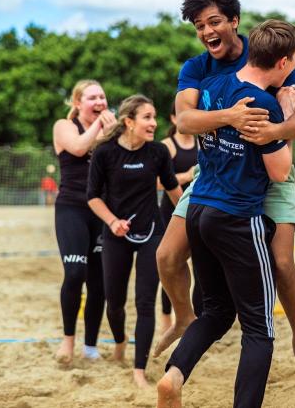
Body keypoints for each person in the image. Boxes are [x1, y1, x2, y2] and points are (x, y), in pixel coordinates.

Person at [153, 0, 295, 383]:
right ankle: (186, 319)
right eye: (198, 26)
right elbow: (186, 120)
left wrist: (272, 131)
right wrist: (230, 117)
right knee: (167, 257)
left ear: (234, 21)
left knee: (281, 263)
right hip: (217, 173)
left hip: (269, 171)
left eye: (213, 22)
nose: (207, 32)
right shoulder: (197, 67)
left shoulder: (268, 55)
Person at [87, 94, 182, 388]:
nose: (154, 123)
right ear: (129, 122)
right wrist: (113, 222)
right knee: (114, 302)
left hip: (151, 233)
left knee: (145, 303)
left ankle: (139, 370)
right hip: (115, 236)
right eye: (147, 117)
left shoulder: (158, 153)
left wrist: (191, 220)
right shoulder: (105, 154)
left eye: (154, 117)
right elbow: (92, 197)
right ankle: (119, 341)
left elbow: (173, 190)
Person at [51, 80, 117, 363]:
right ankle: (68, 342)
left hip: (101, 211)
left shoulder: (110, 130)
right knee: (75, 274)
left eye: (102, 96)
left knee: (99, 283)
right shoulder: (64, 127)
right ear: (77, 103)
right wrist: (101, 127)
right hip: (72, 209)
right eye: (92, 98)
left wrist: (115, 134)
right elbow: (78, 148)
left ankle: (90, 346)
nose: (100, 102)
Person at [158, 107, 202, 334]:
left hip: (198, 207)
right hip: (172, 210)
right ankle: (167, 316)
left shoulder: (200, 140)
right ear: (174, 119)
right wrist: (187, 175)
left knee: (200, 265)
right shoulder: (167, 145)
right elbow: (157, 182)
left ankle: (195, 318)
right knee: (171, 263)